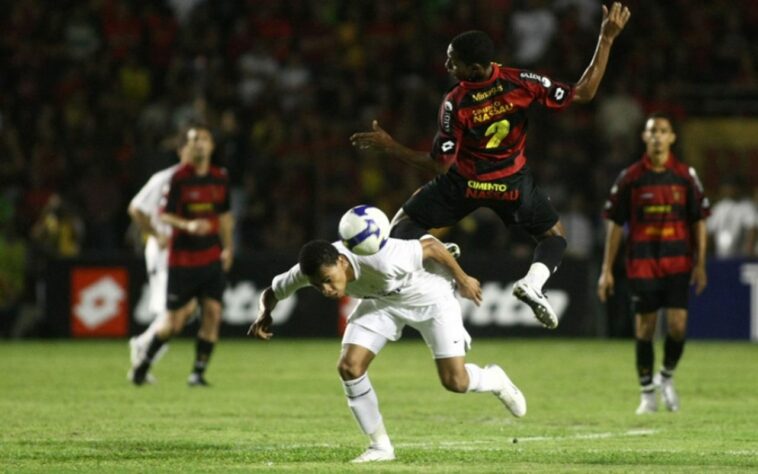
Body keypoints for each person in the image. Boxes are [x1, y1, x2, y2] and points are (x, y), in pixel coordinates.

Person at [350, 3, 631, 330]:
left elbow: (440, 165)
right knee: (554, 237)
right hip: (512, 184)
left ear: (474, 69)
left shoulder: (455, 101)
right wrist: (606, 38)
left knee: (402, 226)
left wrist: (390, 146)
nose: (447, 64)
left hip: (462, 184)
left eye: (453, 61)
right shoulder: (521, 81)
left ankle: (436, 257)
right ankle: (533, 283)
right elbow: (584, 92)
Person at [248, 234, 526, 463]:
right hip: (382, 304)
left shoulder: (379, 255)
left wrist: (463, 279)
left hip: (430, 299)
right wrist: (264, 314)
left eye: (328, 279)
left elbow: (430, 245)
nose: (326, 289)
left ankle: (495, 379)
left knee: (455, 381)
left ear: (342, 261)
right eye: (318, 285)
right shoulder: (308, 270)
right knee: (349, 366)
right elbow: (271, 292)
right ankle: (380, 447)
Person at [597, 112, 710, 414]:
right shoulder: (631, 177)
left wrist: (700, 264)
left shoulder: (686, 176)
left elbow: (699, 220)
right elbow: (615, 223)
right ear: (645, 137)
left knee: (677, 326)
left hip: (677, 263)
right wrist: (607, 270)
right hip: (643, 263)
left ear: (672, 137)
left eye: (663, 130)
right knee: (645, 329)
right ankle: (647, 393)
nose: (658, 135)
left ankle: (666, 377)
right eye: (652, 131)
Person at [130, 124, 234, 387]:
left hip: (210, 257)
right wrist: (178, 228)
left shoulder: (220, 178)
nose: (198, 144)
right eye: (193, 140)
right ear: (184, 148)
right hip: (180, 258)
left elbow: (224, 216)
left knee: (213, 312)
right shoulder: (175, 178)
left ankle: (197, 374)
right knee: (174, 321)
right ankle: (143, 358)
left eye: (203, 139)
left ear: (211, 146)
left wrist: (228, 247)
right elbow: (153, 211)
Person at [126, 137, 198, 383]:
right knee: (176, 311)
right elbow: (136, 208)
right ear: (180, 151)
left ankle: (144, 345)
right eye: (191, 146)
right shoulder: (164, 179)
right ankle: (143, 351)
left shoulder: (200, 181)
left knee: (186, 309)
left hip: (186, 253)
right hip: (164, 253)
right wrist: (155, 234)